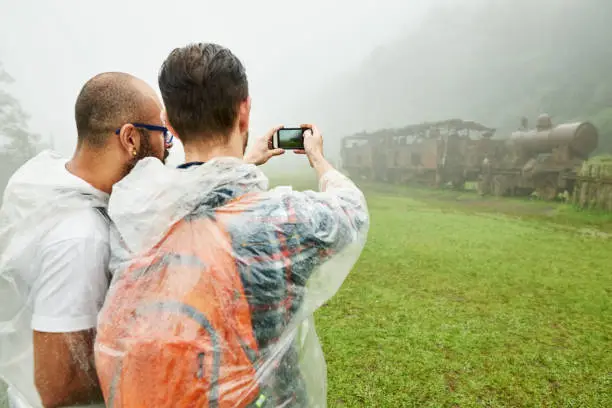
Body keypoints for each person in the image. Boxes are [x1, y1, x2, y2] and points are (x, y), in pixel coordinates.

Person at [95, 42, 369, 408]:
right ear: (245, 112)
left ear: (171, 123)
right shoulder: (282, 222)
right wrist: (319, 159)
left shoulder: (136, 211)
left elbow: (202, 197)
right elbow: (352, 211)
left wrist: (244, 162)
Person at [0, 71, 172, 408]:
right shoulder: (80, 240)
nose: (167, 148)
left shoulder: (50, 176)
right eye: (162, 134)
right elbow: (58, 387)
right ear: (131, 139)